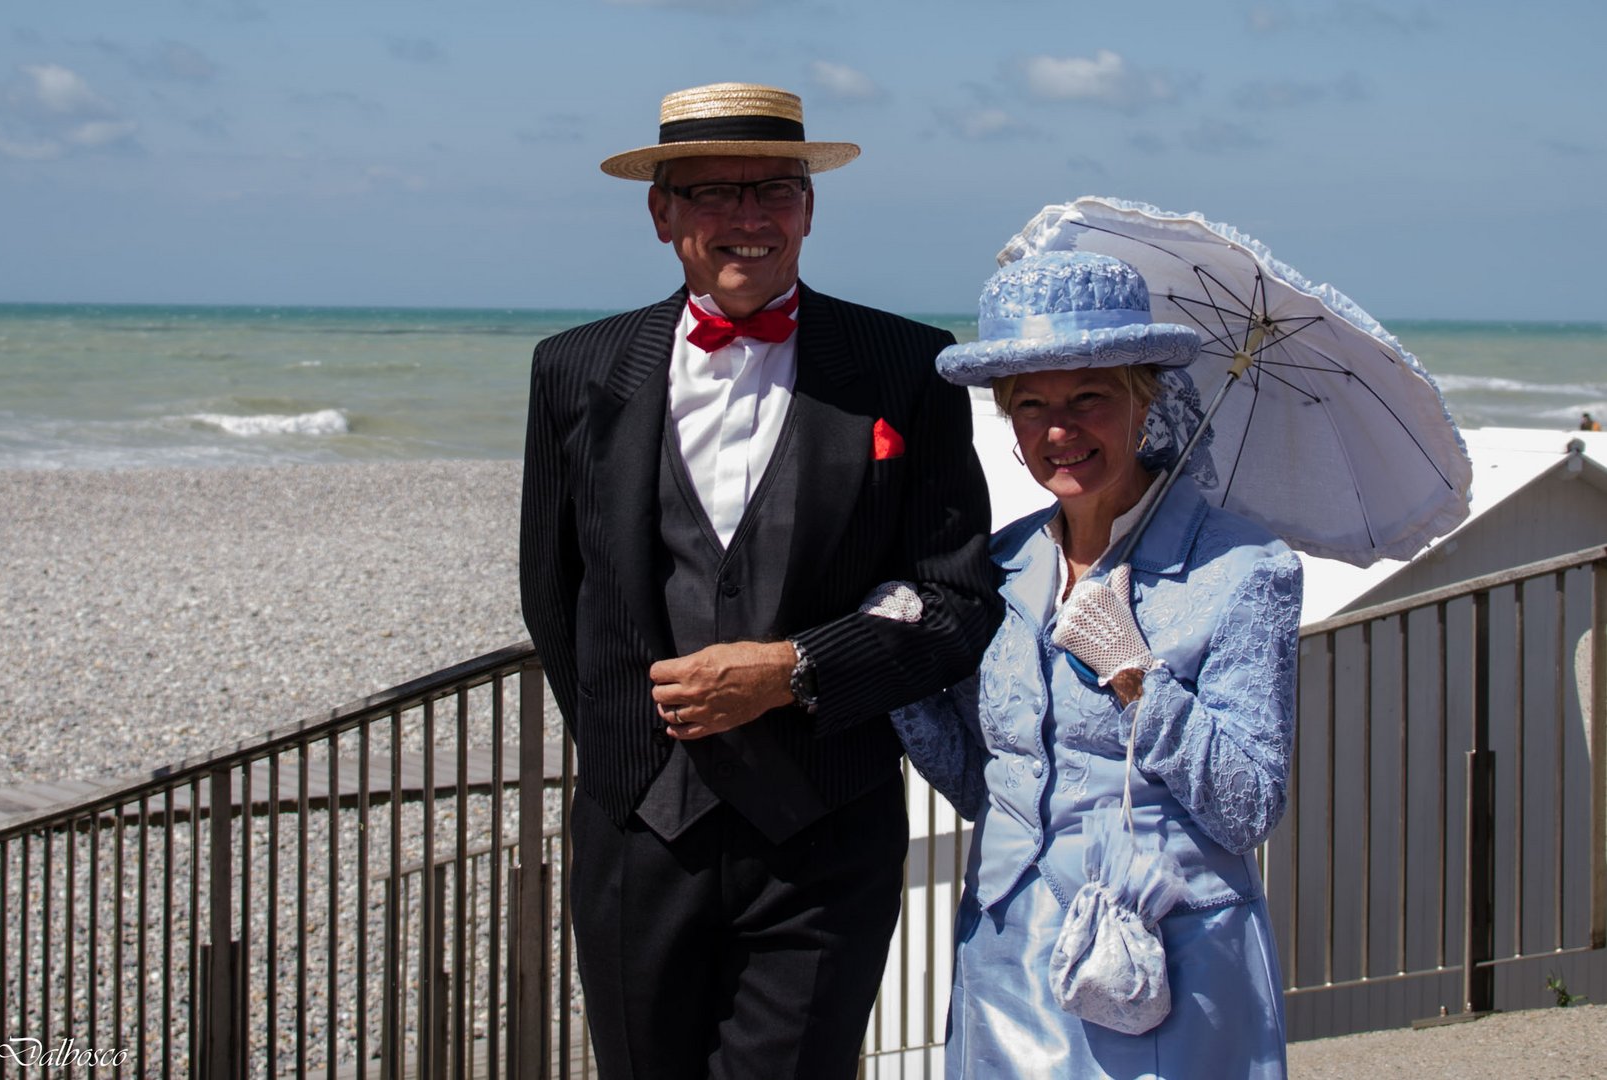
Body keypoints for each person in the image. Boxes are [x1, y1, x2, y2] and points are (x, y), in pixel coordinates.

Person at [519, 82, 1001, 1079]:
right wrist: (634, 757)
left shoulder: (906, 365)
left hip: (826, 830)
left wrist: (795, 669)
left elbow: (955, 601)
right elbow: (553, 595)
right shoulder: (572, 370)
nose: (746, 217)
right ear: (660, 214)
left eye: (772, 190)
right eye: (710, 194)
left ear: (808, 207)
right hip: (636, 833)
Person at [894, 251, 1300, 1078]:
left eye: (1089, 397)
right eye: (1030, 404)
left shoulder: (1245, 569)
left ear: (1143, 400)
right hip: (1005, 954)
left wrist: (1135, 676)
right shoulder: (1000, 568)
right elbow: (990, 783)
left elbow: (1249, 807)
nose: (1057, 429)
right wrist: (896, 679)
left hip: (1168, 960)